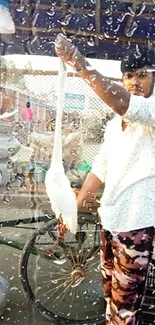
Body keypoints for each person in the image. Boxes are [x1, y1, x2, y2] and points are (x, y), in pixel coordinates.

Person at [55, 34, 155, 325]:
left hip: (136, 223)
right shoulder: (114, 124)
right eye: (128, 76)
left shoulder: (150, 111)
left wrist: (77, 62)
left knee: (126, 305)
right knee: (110, 293)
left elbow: (123, 103)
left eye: (143, 75)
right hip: (110, 218)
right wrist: (79, 200)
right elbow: (102, 165)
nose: (134, 82)